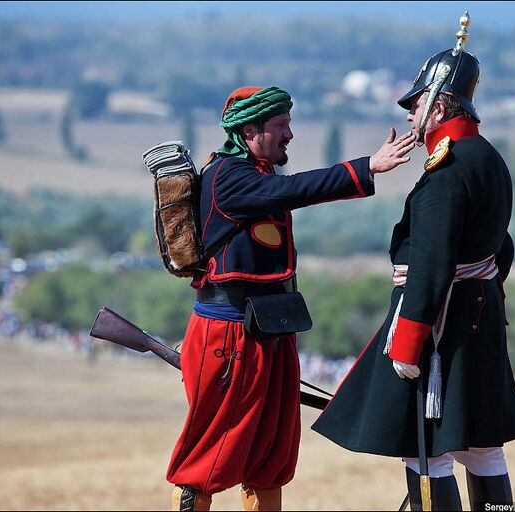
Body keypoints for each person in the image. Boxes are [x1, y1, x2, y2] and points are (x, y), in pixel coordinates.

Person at [311, 15, 515, 511]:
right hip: (477, 315)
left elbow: (431, 263)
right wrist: (484, 296)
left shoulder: (447, 170)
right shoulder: (487, 157)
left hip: (439, 327)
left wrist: (408, 341)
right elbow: (503, 247)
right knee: (483, 449)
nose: (410, 116)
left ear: (440, 106)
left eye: (416, 105)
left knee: (424, 452)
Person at [166, 85, 416, 511]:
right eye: (280, 125)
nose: (290, 134)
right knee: (208, 459)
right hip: (231, 336)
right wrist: (365, 167)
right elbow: (298, 189)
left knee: (270, 456)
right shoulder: (228, 176)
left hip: (268, 329)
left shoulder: (256, 173)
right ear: (250, 129)